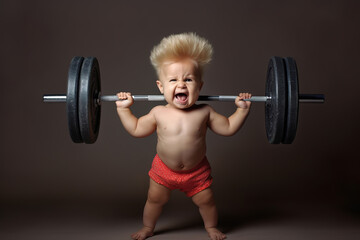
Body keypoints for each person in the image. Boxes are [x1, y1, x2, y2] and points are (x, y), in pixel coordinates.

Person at [116, 32, 251, 240]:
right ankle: (147, 228)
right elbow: (135, 129)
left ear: (200, 86)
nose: (181, 85)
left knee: (207, 201)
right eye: (173, 80)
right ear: (161, 87)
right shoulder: (158, 113)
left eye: (188, 79)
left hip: (196, 172)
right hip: (163, 170)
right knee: (154, 200)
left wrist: (241, 110)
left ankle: (211, 228)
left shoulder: (205, 112)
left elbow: (229, 127)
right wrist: (124, 110)